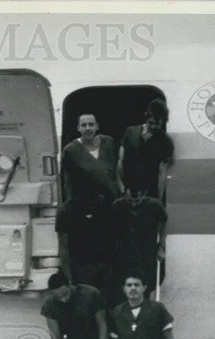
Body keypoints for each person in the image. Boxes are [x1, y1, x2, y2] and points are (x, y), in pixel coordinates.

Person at [56, 114, 123, 295]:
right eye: (84, 125)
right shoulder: (71, 150)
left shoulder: (109, 143)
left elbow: (118, 168)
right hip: (87, 207)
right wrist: (71, 207)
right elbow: (68, 181)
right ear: (78, 128)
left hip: (112, 204)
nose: (88, 128)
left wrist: (121, 191)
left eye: (91, 124)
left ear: (97, 126)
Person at [40, 270, 108, 339]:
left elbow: (102, 324)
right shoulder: (50, 304)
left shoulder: (91, 294)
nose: (63, 299)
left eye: (65, 294)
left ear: (70, 284)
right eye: (58, 297)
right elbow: (55, 336)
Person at [110, 193, 167, 301]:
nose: (134, 204)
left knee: (146, 284)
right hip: (126, 254)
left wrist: (161, 246)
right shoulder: (117, 206)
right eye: (130, 200)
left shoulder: (154, 205)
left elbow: (164, 222)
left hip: (146, 253)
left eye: (137, 201)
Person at [118, 99, 174, 202]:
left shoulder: (165, 141)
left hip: (149, 194)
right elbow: (120, 162)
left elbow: (162, 173)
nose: (153, 127)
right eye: (151, 123)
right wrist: (121, 189)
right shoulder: (130, 132)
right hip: (128, 191)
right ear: (145, 116)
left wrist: (159, 200)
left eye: (157, 124)